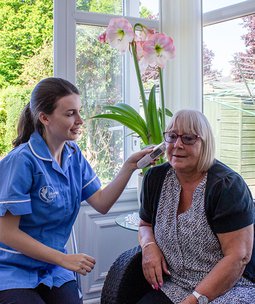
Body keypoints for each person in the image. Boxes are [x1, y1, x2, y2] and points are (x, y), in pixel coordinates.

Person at [0, 77, 152, 304]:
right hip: (13, 268)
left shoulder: (73, 154)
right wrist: (64, 259)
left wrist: (129, 167)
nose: (80, 120)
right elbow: (6, 233)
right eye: (70, 113)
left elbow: (101, 203)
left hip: (53, 267)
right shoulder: (22, 161)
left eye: (79, 112)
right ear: (44, 118)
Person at [137, 109, 255, 304]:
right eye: (172, 136)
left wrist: (194, 300)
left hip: (230, 288)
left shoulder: (227, 186)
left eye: (189, 138)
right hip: (174, 285)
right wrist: (149, 246)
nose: (177, 145)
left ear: (205, 143)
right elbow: (144, 225)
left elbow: (238, 257)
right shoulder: (154, 179)